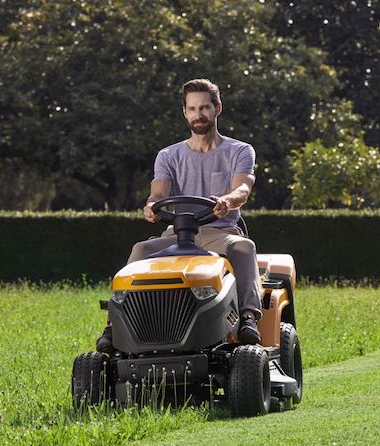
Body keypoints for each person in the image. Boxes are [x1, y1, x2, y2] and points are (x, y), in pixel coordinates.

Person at [97, 78, 262, 352]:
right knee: (140, 250)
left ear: (217, 109)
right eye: (192, 109)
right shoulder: (168, 155)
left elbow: (243, 188)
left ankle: (248, 318)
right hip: (177, 235)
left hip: (220, 233)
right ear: (185, 112)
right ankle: (115, 326)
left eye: (205, 108)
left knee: (244, 247)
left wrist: (226, 200)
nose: (199, 115)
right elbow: (158, 193)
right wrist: (152, 205)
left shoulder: (240, 150)